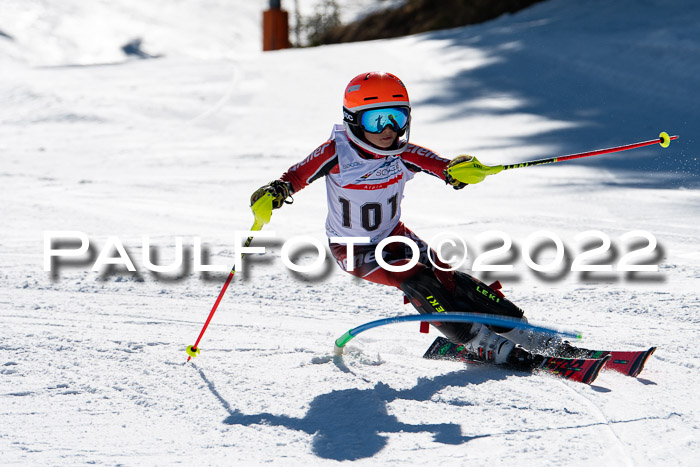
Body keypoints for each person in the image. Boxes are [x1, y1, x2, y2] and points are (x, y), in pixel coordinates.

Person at [250, 71, 563, 371]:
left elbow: (444, 167)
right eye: (376, 119)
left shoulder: (401, 153)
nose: (388, 129)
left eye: (396, 118)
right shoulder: (336, 152)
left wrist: (462, 172)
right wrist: (272, 193)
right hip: (354, 250)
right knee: (416, 279)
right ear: (353, 122)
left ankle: (522, 331)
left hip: (395, 235)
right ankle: (480, 342)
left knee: (449, 278)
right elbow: (294, 177)